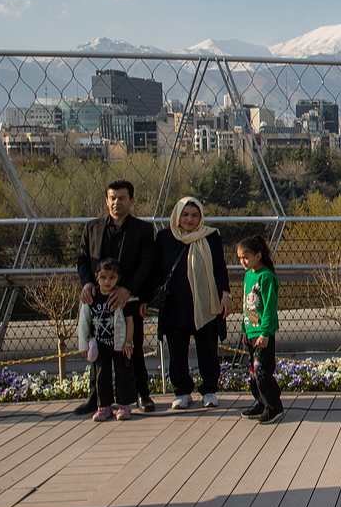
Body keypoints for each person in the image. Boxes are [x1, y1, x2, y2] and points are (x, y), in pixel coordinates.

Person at [75, 179, 155, 414]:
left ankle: (141, 394)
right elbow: (82, 259)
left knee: (132, 348)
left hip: (126, 299)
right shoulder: (92, 228)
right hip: (97, 300)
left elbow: (147, 263)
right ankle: (97, 398)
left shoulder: (142, 229)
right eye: (112, 198)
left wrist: (128, 289)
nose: (116, 202)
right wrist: (88, 283)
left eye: (121, 198)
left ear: (131, 200)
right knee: (96, 350)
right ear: (106, 201)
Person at [153, 197, 233, 410]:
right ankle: (182, 391)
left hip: (204, 303)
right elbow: (156, 270)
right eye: (185, 214)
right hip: (174, 304)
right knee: (177, 349)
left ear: (201, 217)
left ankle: (209, 390)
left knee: (207, 347)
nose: (189, 219)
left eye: (194, 215)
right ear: (177, 215)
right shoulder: (164, 237)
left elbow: (219, 267)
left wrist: (226, 294)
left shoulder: (210, 236)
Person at [77, 258, 137, 422]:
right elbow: (84, 322)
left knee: (123, 373)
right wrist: (84, 343)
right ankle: (104, 406)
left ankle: (124, 405)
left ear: (118, 278)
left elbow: (130, 321)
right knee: (101, 375)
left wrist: (129, 342)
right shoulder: (92, 297)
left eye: (112, 278)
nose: (107, 281)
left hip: (119, 343)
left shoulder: (122, 296)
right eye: (104, 277)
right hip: (99, 345)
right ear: (96, 277)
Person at [237, 235, 285, 424]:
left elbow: (269, 307)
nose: (242, 262)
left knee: (262, 370)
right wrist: (244, 329)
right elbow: (246, 306)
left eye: (246, 257)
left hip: (263, 334)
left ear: (258, 256)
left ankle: (273, 405)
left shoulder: (266, 277)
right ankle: (261, 402)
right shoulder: (249, 275)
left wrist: (265, 332)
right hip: (251, 333)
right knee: (253, 371)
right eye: (240, 258)